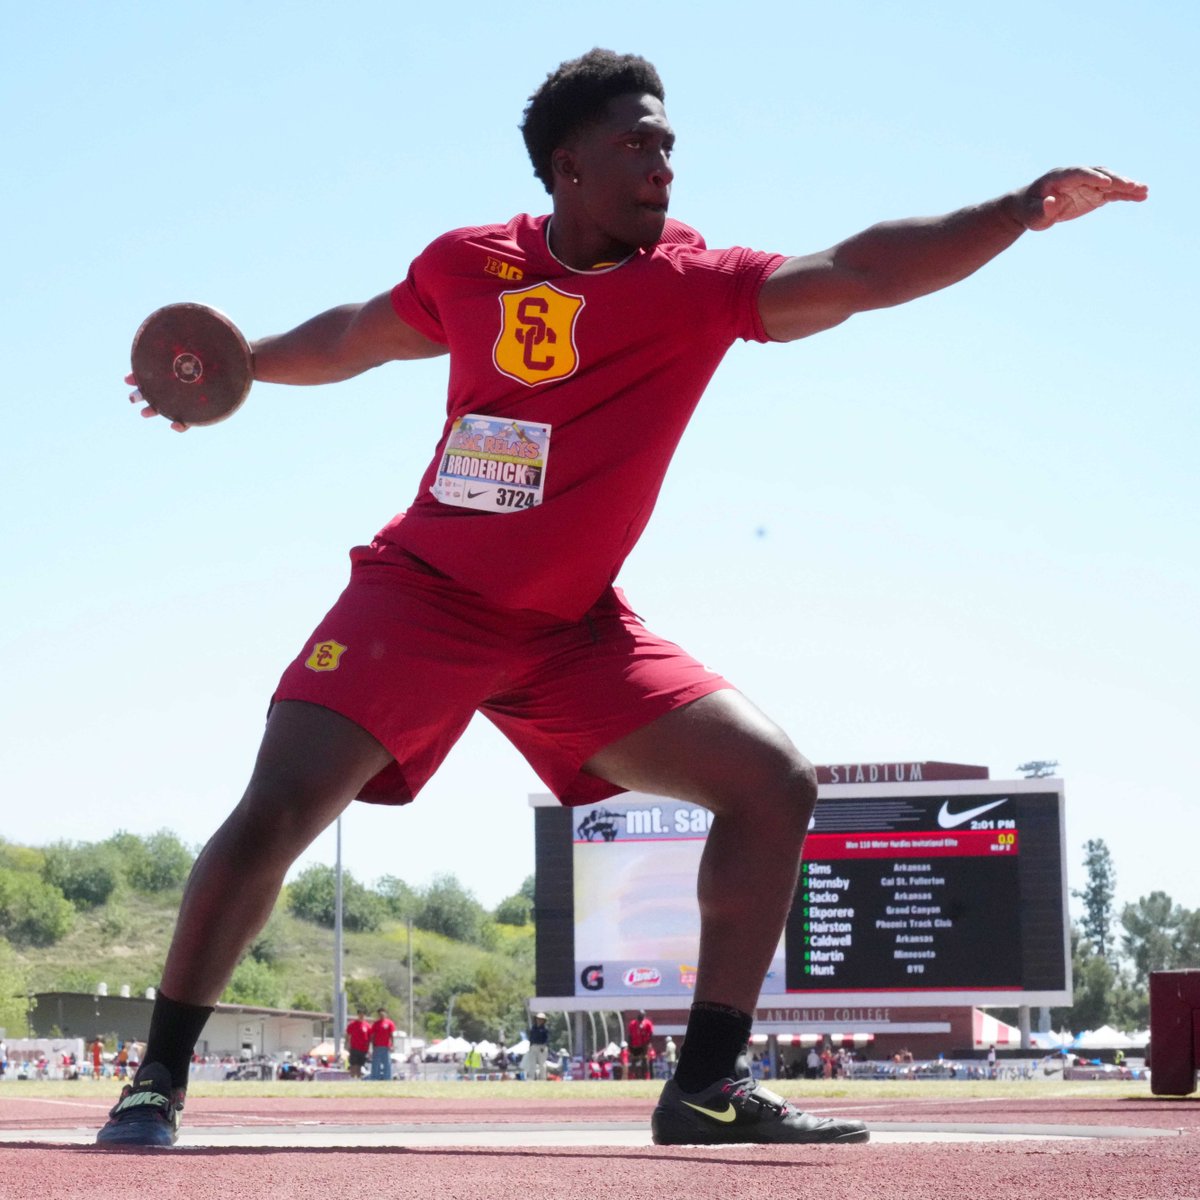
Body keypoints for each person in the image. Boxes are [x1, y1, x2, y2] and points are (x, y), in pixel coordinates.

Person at [96, 47, 1146, 1149]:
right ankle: (157, 1080)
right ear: (567, 167)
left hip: (572, 632)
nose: (663, 167)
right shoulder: (469, 266)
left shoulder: (693, 285)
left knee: (771, 782)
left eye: (669, 146)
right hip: (426, 599)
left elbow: (863, 269)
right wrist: (238, 366)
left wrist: (1018, 208)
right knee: (277, 809)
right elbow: (358, 336)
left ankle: (705, 1087)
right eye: (637, 144)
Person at [627, 1009, 654, 1080]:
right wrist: (629, 1045)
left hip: (644, 1045)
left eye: (642, 1015)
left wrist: (648, 1043)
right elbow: (629, 1036)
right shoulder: (632, 1023)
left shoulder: (648, 1023)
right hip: (634, 1046)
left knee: (645, 1061)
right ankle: (631, 1077)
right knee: (633, 1061)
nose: (641, 1016)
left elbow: (651, 1034)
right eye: (639, 1015)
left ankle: (646, 1077)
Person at [345, 1008, 371, 1079]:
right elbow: (348, 1035)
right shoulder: (352, 1024)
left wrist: (368, 1048)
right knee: (353, 1064)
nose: (361, 1015)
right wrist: (347, 1045)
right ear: (358, 1014)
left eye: (363, 1014)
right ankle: (352, 1077)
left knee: (360, 1064)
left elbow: (369, 1038)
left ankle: (359, 1078)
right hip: (354, 1047)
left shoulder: (367, 1026)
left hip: (363, 1049)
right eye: (360, 1014)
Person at [369, 1008, 395, 1080]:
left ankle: (387, 1078)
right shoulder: (375, 1024)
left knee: (387, 1064)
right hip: (377, 1047)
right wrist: (372, 1045)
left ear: (385, 1014)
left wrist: (392, 1045)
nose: (381, 1015)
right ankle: (374, 1078)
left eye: (383, 1013)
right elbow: (372, 1036)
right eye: (380, 1014)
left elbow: (391, 1035)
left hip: (386, 1047)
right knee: (376, 1064)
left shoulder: (390, 1023)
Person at [523, 1012, 550, 1081]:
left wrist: (543, 1046)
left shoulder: (545, 1029)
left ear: (544, 1020)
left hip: (542, 1047)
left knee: (542, 1064)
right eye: (538, 1019)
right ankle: (531, 1077)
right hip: (533, 1046)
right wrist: (530, 1046)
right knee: (532, 1063)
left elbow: (547, 1039)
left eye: (541, 1019)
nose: (539, 1020)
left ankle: (543, 1078)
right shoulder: (533, 1028)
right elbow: (531, 1038)